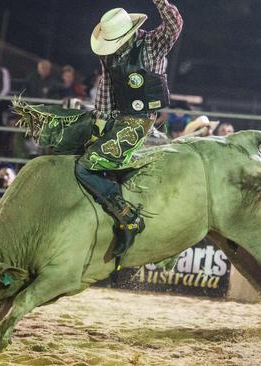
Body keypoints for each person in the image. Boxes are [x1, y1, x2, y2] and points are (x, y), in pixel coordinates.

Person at [74, 0, 182, 258]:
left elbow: (174, 25)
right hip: (120, 119)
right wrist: (99, 125)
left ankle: (128, 216)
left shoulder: (152, 44)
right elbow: (106, 90)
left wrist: (160, 2)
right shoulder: (108, 55)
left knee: (85, 167)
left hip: (142, 120)